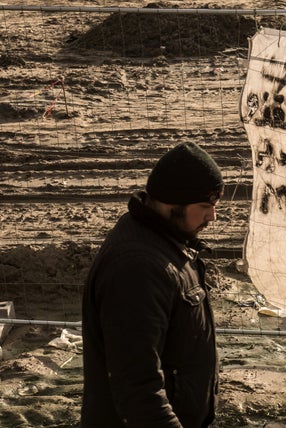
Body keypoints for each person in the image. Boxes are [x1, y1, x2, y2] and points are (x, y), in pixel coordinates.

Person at [81, 142, 224, 428]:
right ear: (173, 204)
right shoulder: (138, 268)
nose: (212, 217)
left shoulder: (165, 241)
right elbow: (138, 387)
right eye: (205, 207)